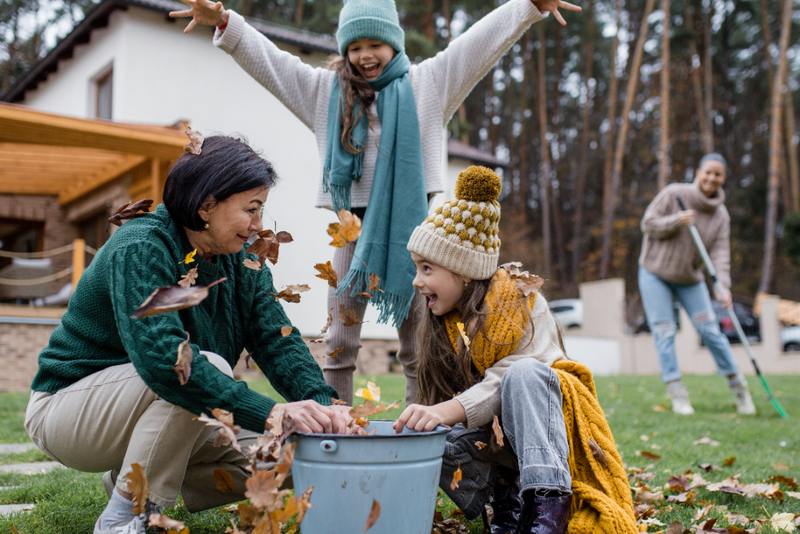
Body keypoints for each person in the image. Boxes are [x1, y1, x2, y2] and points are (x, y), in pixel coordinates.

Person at [169, 0, 581, 406]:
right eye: (354, 46)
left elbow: (476, 45)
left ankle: (422, 431)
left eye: (374, 44)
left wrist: (528, 6)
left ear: (394, 44)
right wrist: (225, 21)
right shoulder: (323, 93)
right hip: (352, 232)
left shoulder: (429, 85)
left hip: (415, 234)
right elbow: (274, 63)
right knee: (338, 343)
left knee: (420, 348)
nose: (364, 55)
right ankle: (339, 426)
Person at [24, 136, 353, 534]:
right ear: (206, 206)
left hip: (157, 411)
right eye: (251, 209)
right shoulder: (144, 246)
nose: (259, 224)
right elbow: (165, 362)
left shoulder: (244, 261)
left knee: (300, 450)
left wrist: (321, 407)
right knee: (196, 366)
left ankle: (129, 480)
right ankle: (126, 519)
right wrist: (273, 412)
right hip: (69, 413)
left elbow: (276, 340)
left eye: (261, 209)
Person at [394, 166, 638, 534]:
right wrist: (418, 425)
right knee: (429, 438)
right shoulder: (443, 324)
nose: (417, 280)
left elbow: (514, 376)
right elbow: (434, 402)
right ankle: (508, 500)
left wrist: (452, 409)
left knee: (523, 375)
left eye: (427, 268)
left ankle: (546, 506)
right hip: (498, 440)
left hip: (551, 440)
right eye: (417, 268)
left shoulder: (523, 303)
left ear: (463, 271)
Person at [639, 153, 756, 415]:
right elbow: (647, 224)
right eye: (708, 173)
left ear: (723, 179)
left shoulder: (720, 216)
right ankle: (678, 393)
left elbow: (720, 254)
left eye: (718, 174)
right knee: (665, 330)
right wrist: (677, 221)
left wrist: (722, 285)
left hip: (690, 279)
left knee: (710, 330)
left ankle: (739, 388)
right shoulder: (674, 194)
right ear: (698, 172)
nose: (712, 178)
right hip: (654, 273)